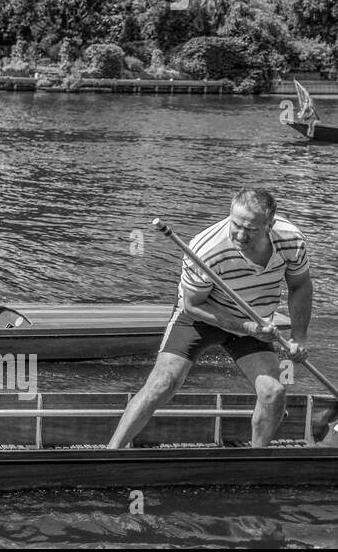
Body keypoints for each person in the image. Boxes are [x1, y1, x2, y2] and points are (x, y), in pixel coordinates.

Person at [108, 188, 311, 449]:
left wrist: (299, 337)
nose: (240, 234)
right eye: (236, 224)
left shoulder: (291, 241)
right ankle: (111, 451)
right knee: (163, 383)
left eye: (251, 229)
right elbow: (192, 306)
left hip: (253, 321)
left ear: (269, 225)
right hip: (200, 318)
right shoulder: (205, 249)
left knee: (274, 393)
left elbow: (300, 286)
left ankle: (256, 461)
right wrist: (246, 327)